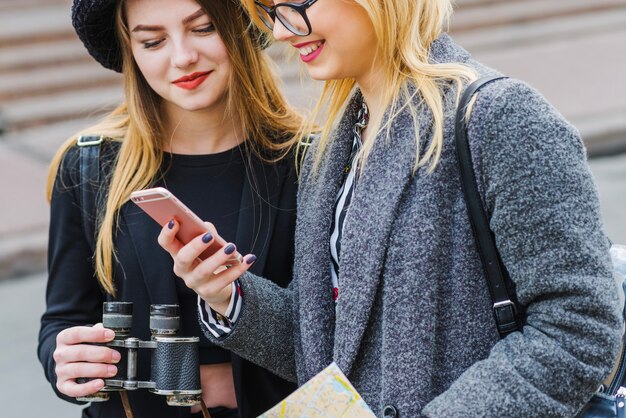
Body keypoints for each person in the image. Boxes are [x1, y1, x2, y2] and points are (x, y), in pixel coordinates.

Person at [156, 0, 624, 416]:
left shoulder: (501, 115)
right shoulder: (337, 141)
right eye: (269, 9)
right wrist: (226, 294)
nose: (280, 30)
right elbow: (332, 344)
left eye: (295, 2)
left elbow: (579, 329)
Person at [37, 0, 305, 417]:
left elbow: (341, 332)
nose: (182, 57)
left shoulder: (312, 159)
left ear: (242, 25)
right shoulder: (87, 164)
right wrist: (67, 361)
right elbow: (63, 318)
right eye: (153, 40)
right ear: (131, 51)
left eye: (204, 28)